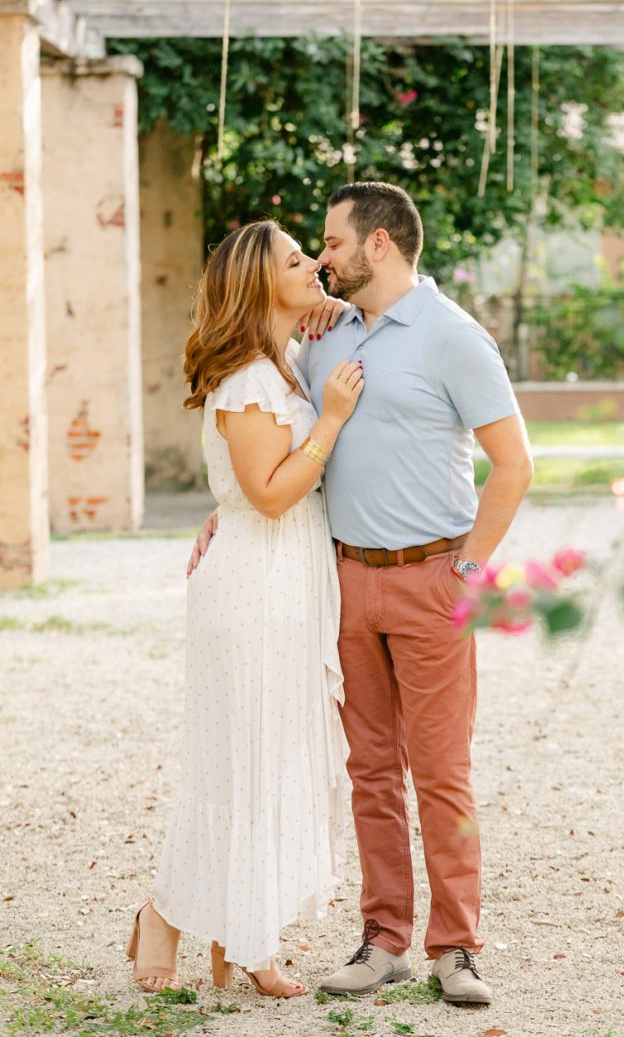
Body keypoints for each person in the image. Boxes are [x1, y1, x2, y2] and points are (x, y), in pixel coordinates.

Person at [191, 181, 533, 1006]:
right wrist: (222, 507)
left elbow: (514, 466)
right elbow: (276, 443)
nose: (323, 257)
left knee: (442, 773)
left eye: (333, 243)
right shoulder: (325, 333)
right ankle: (385, 940)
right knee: (370, 772)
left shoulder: (456, 338)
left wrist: (469, 569)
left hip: (431, 579)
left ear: (378, 245)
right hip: (340, 580)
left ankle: (457, 947)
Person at [127, 219, 362, 999]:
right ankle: (163, 912)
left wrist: (317, 311)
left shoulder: (285, 362)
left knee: (269, 762)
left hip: (288, 582)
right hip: (254, 587)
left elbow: (246, 488)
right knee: (236, 765)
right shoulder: (250, 381)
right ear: (261, 285)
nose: (314, 265)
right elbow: (264, 495)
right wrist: (329, 421)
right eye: (297, 262)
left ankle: (245, 938)